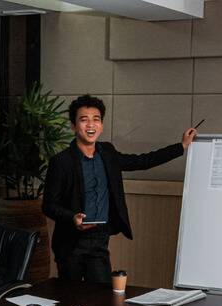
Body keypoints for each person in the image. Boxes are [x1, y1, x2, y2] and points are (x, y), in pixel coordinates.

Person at [42, 94, 198, 282]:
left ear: (102, 125)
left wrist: (180, 146)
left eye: (96, 119)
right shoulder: (61, 161)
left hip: (100, 238)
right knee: (72, 300)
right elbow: (49, 205)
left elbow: (142, 161)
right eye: (84, 120)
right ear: (74, 126)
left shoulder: (108, 152)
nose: (90, 125)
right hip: (70, 242)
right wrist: (72, 218)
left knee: (101, 298)